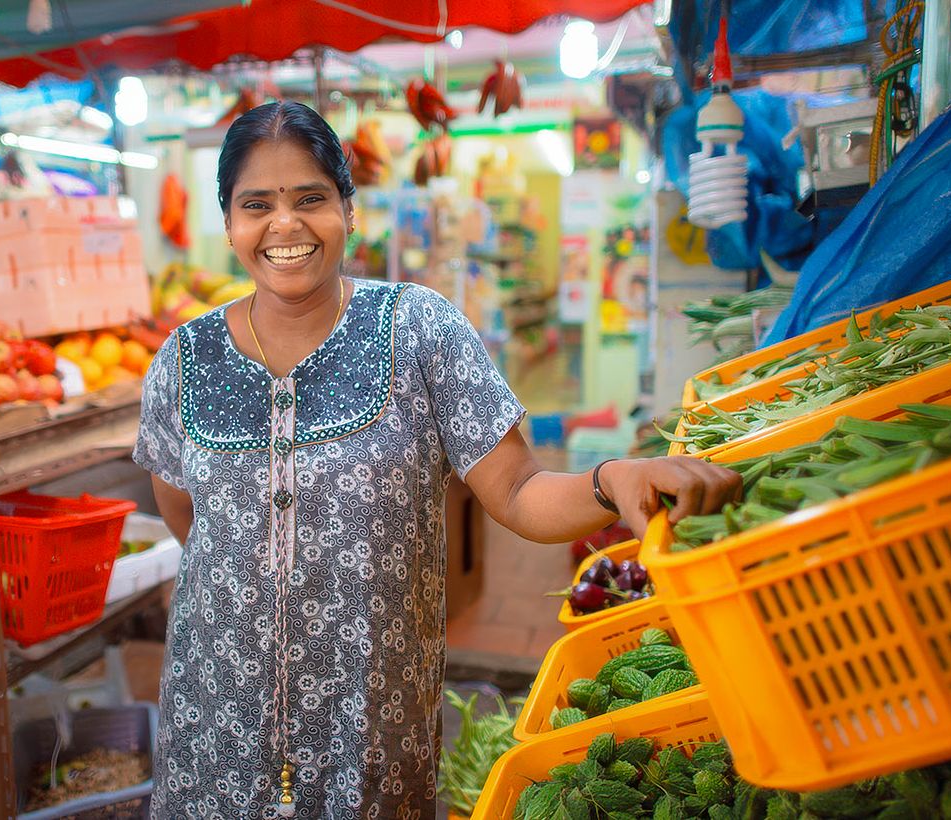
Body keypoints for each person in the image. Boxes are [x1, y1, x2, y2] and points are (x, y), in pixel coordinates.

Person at [132, 101, 741, 819]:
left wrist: (615, 480)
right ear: (231, 223)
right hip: (215, 722)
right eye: (256, 204)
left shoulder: (421, 330)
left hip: (369, 724)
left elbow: (516, 490)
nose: (285, 226)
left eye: (310, 199)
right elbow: (186, 519)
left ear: (349, 210)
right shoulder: (185, 359)